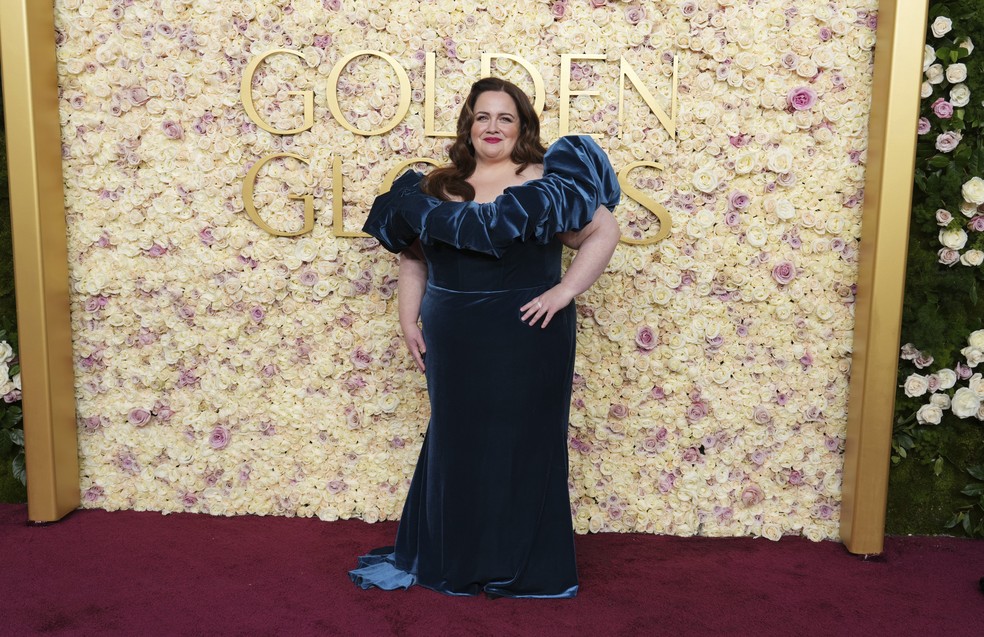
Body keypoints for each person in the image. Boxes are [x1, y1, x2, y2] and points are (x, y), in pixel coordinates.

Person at [349, 77, 621, 598]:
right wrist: (409, 320)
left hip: (529, 336)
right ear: (468, 126)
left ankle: (523, 565)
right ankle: (457, 556)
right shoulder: (435, 185)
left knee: (525, 446)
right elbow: (413, 256)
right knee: (458, 445)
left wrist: (564, 292)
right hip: (454, 340)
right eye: (482, 117)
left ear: (522, 127)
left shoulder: (546, 183)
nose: (492, 127)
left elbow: (601, 231)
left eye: (505, 118)